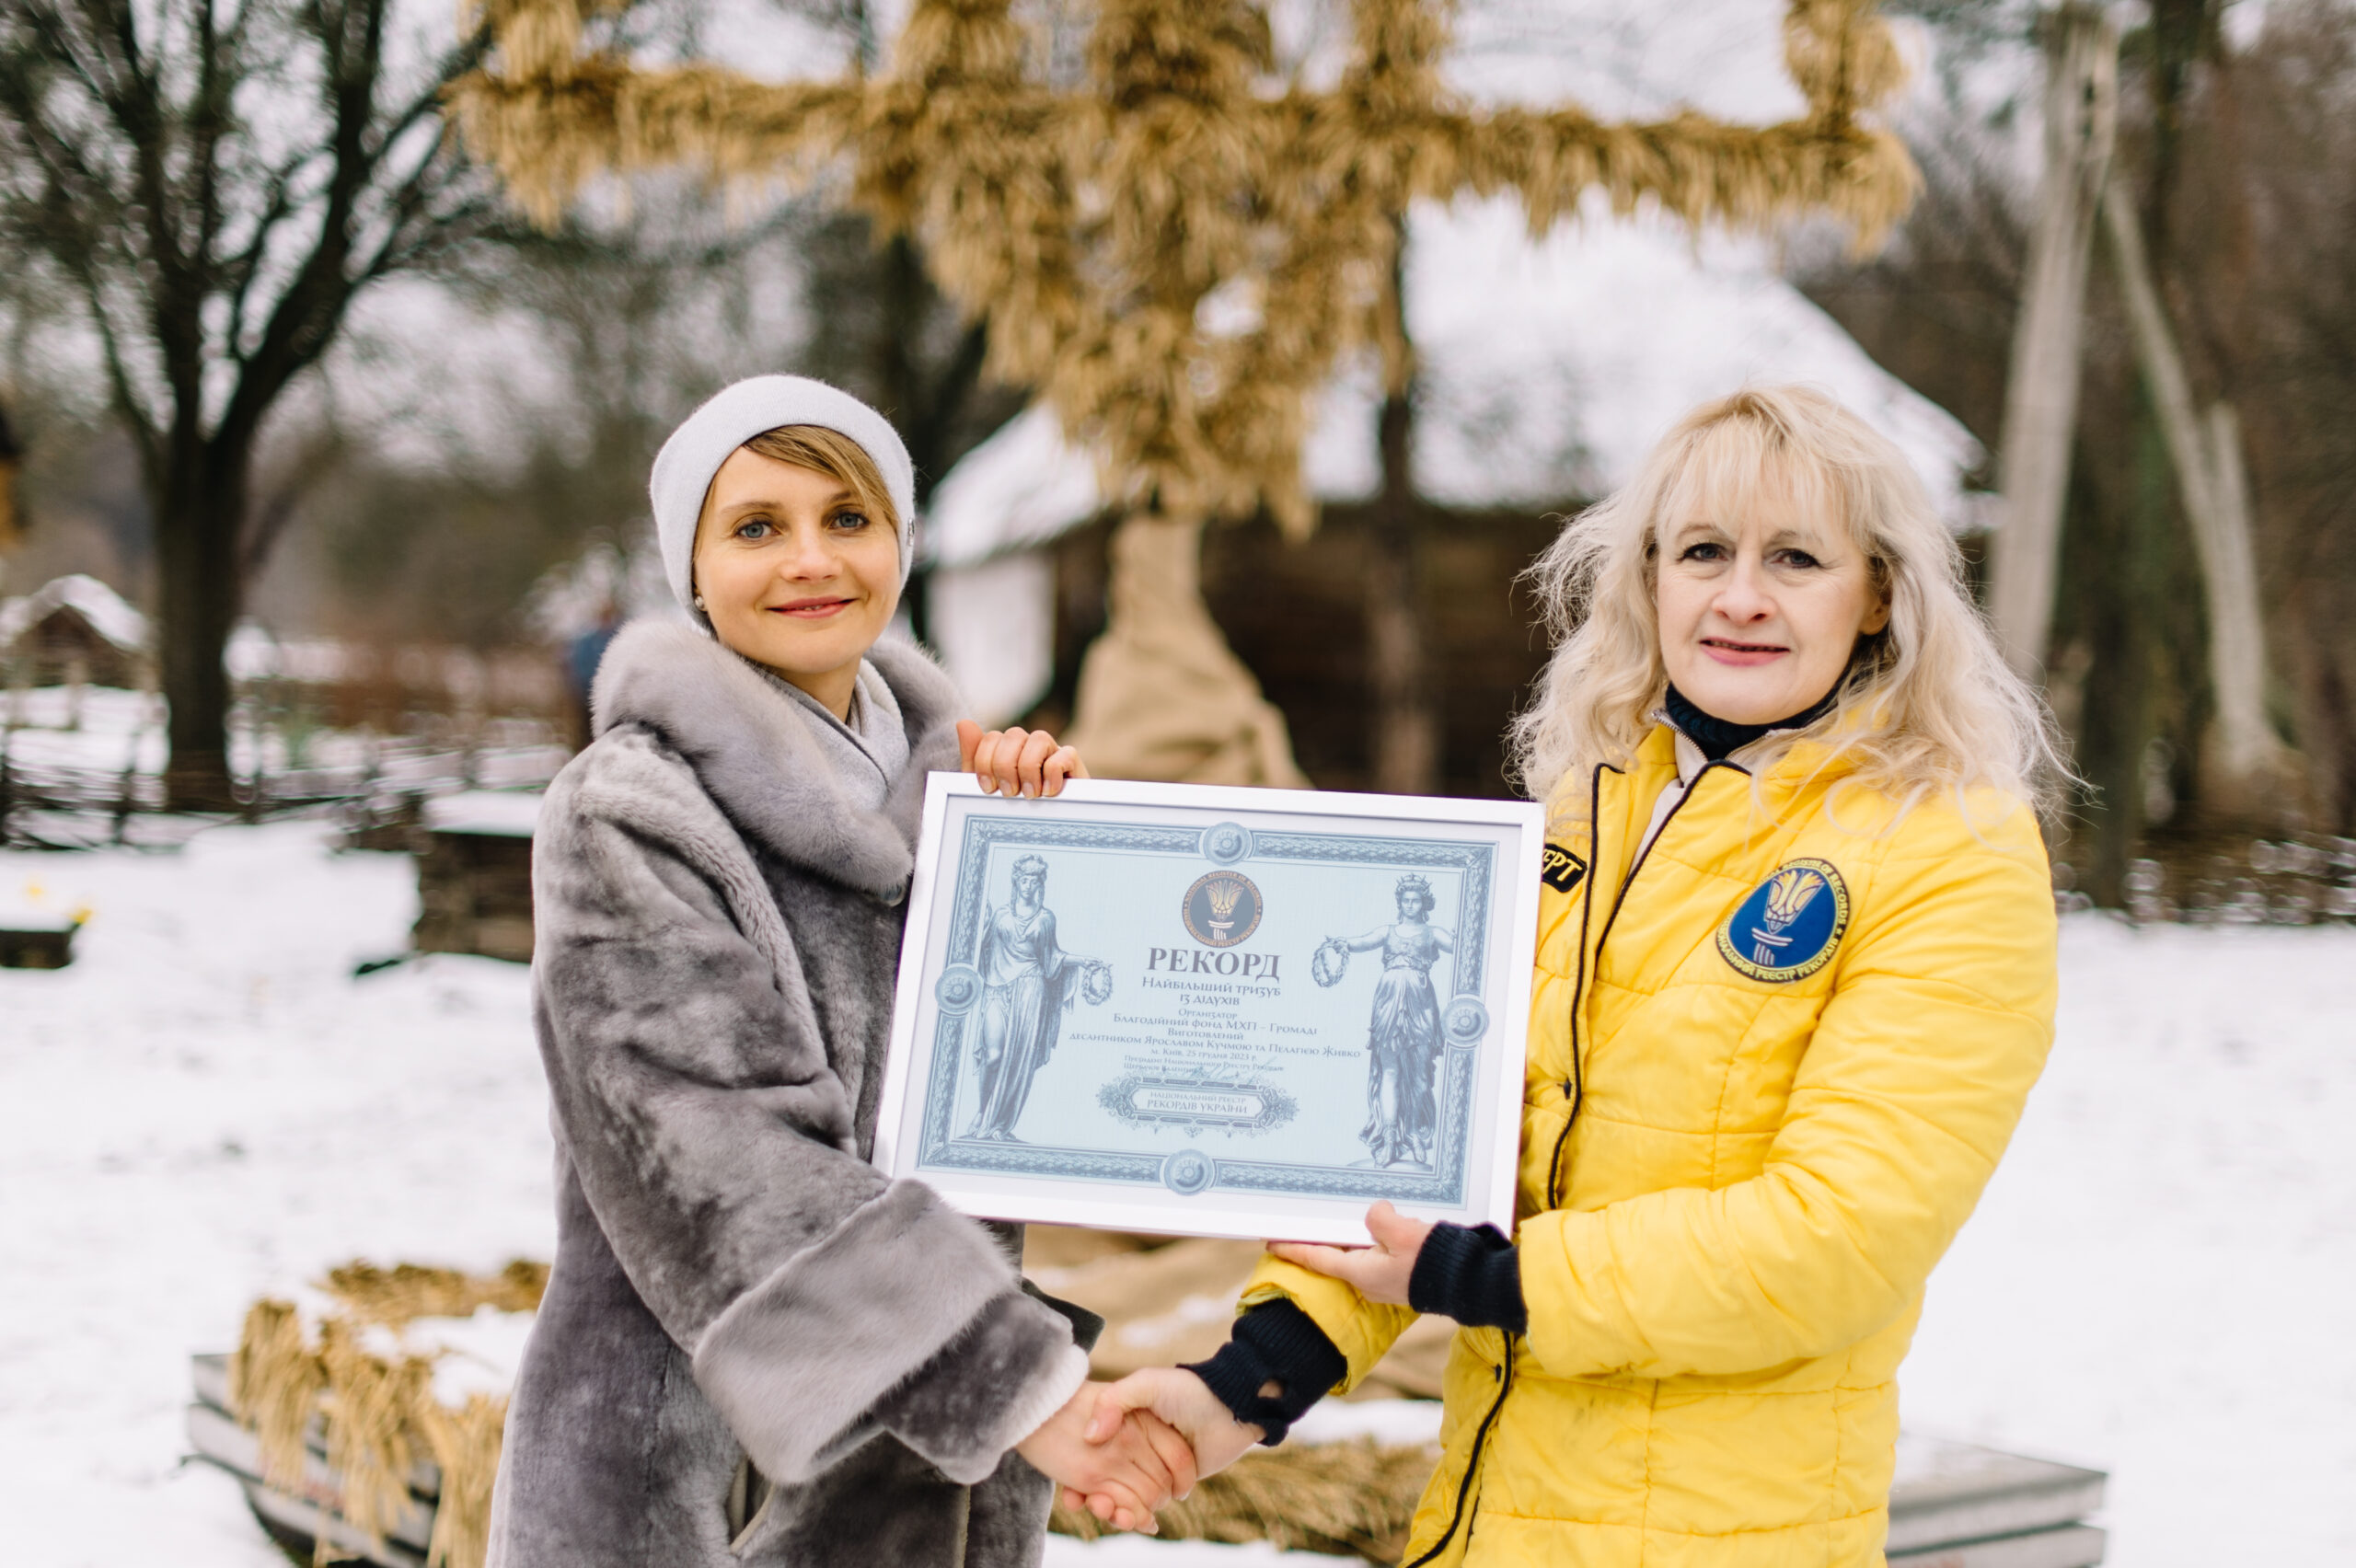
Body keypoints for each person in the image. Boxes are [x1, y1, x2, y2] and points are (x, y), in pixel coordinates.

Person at [1092, 386, 2068, 1567]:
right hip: (1485, 1527)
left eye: (1796, 558)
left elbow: (1835, 1243)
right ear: (1648, 579)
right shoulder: (1581, 815)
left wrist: (1487, 1279)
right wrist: (1245, 1384)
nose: (1740, 596)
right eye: (1702, 552)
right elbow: (1422, 1155)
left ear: (1876, 595)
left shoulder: (1948, 848)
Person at [489, 375, 1193, 1568]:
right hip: (691, 1485)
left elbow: (1055, 1075)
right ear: (693, 566)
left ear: (900, 546)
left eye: (848, 517)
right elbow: (719, 1162)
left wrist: (1055, 860)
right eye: (757, 526)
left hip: (923, 1489)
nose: (810, 559)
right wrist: (1014, 1390)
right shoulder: (628, 813)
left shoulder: (965, 802)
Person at [1317, 874, 1456, 1168]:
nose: (1410, 905)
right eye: (1406, 900)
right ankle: (1389, 1140)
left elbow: (1459, 947)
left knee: (1420, 1077)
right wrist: (1341, 943)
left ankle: (1415, 1134)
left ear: (1424, 904)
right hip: (1389, 1002)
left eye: (1415, 900)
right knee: (1390, 1071)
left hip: (1421, 1002)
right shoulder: (1387, 931)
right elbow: (1362, 942)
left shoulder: (1433, 933)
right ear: (1399, 903)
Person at [965, 855, 1103, 1142]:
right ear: (1016, 881)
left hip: (1031, 989)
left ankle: (999, 1123)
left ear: (1040, 885)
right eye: (1024, 880)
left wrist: (1083, 960)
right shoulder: (1000, 915)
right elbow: (979, 948)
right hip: (996, 987)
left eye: (1033, 881)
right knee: (993, 1055)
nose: (1028, 885)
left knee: (1018, 1060)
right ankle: (982, 1111)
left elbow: (1052, 958)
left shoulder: (1046, 919)